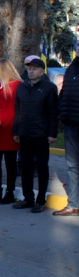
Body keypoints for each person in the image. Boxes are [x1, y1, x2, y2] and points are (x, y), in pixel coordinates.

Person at [12, 57, 59, 213]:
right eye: (29, 69)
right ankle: (28, 198)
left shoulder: (49, 88)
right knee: (25, 167)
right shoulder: (21, 88)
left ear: (41, 71)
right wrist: (16, 131)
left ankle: (40, 200)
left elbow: (53, 112)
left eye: (34, 69)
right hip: (24, 133)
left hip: (41, 134)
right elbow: (18, 111)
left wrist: (52, 133)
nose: (30, 71)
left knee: (41, 168)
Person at [0, 60, 22, 204]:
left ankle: (10, 191)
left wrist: (2, 121)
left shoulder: (17, 86)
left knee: (10, 164)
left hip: (9, 130)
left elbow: (15, 109)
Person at [55, 54, 79, 216]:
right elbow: (64, 92)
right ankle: (74, 204)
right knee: (73, 166)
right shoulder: (72, 67)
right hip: (71, 123)